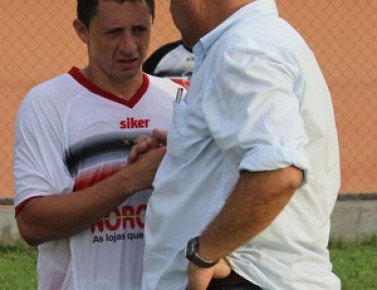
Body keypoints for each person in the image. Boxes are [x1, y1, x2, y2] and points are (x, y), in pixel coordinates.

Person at [132, 0, 341, 289]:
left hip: (242, 277)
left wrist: (204, 253)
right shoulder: (262, 39)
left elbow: (277, 171)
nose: (171, 8)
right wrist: (190, 147)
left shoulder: (242, 49)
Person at [13, 0, 183, 289]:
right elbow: (32, 224)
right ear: (82, 30)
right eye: (113, 32)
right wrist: (132, 178)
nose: (130, 46)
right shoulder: (48, 103)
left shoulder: (179, 99)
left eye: (140, 29)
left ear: (154, 21)